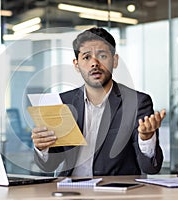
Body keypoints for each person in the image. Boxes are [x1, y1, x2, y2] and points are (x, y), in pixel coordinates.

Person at [31, 27, 166, 177]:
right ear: (76, 64)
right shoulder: (63, 103)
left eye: (102, 56)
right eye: (87, 57)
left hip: (114, 193)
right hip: (69, 191)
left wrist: (146, 139)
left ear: (114, 61)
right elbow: (49, 165)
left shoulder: (137, 102)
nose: (94, 63)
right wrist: (42, 147)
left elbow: (150, 168)